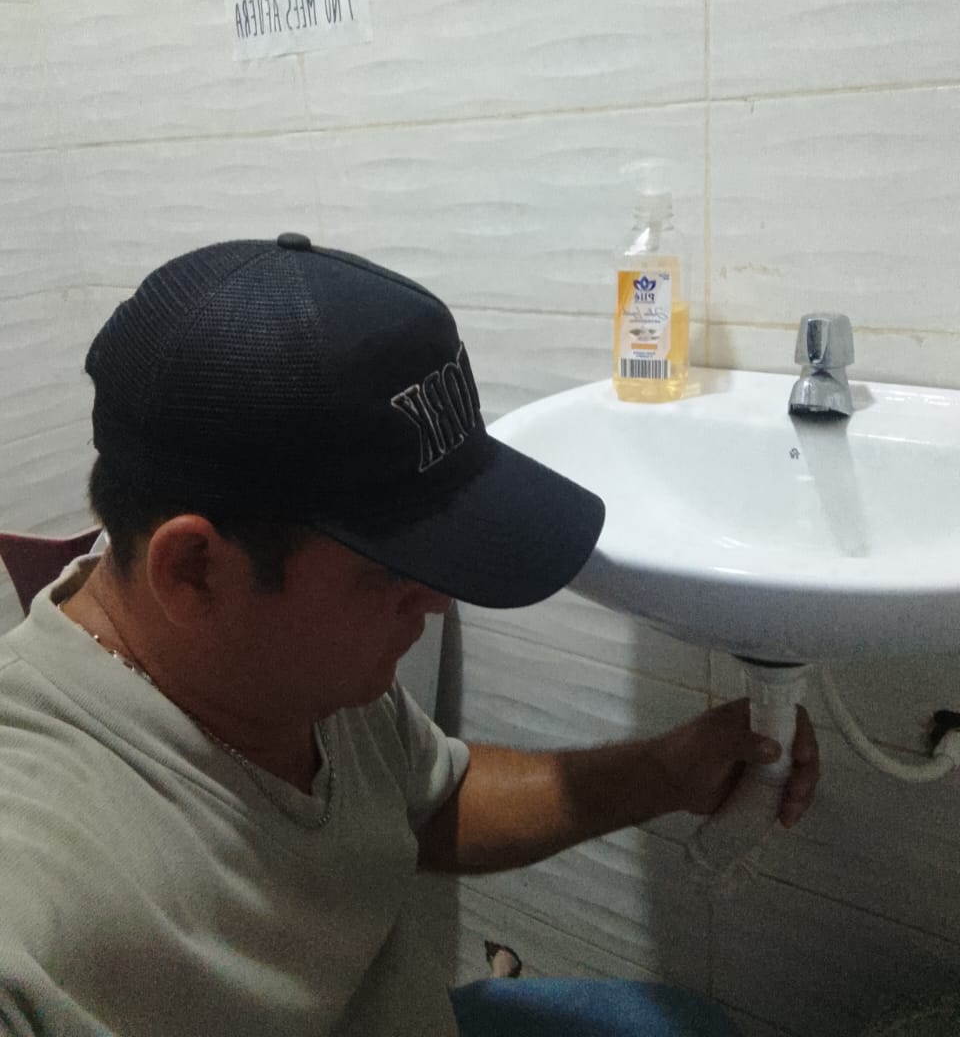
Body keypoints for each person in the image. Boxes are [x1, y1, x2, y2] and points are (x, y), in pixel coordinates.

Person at [0, 235, 818, 1036]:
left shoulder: (291, 670)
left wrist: (663, 771)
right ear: (195, 571)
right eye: (390, 566)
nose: (436, 598)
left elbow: (425, 800)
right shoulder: (41, 868)